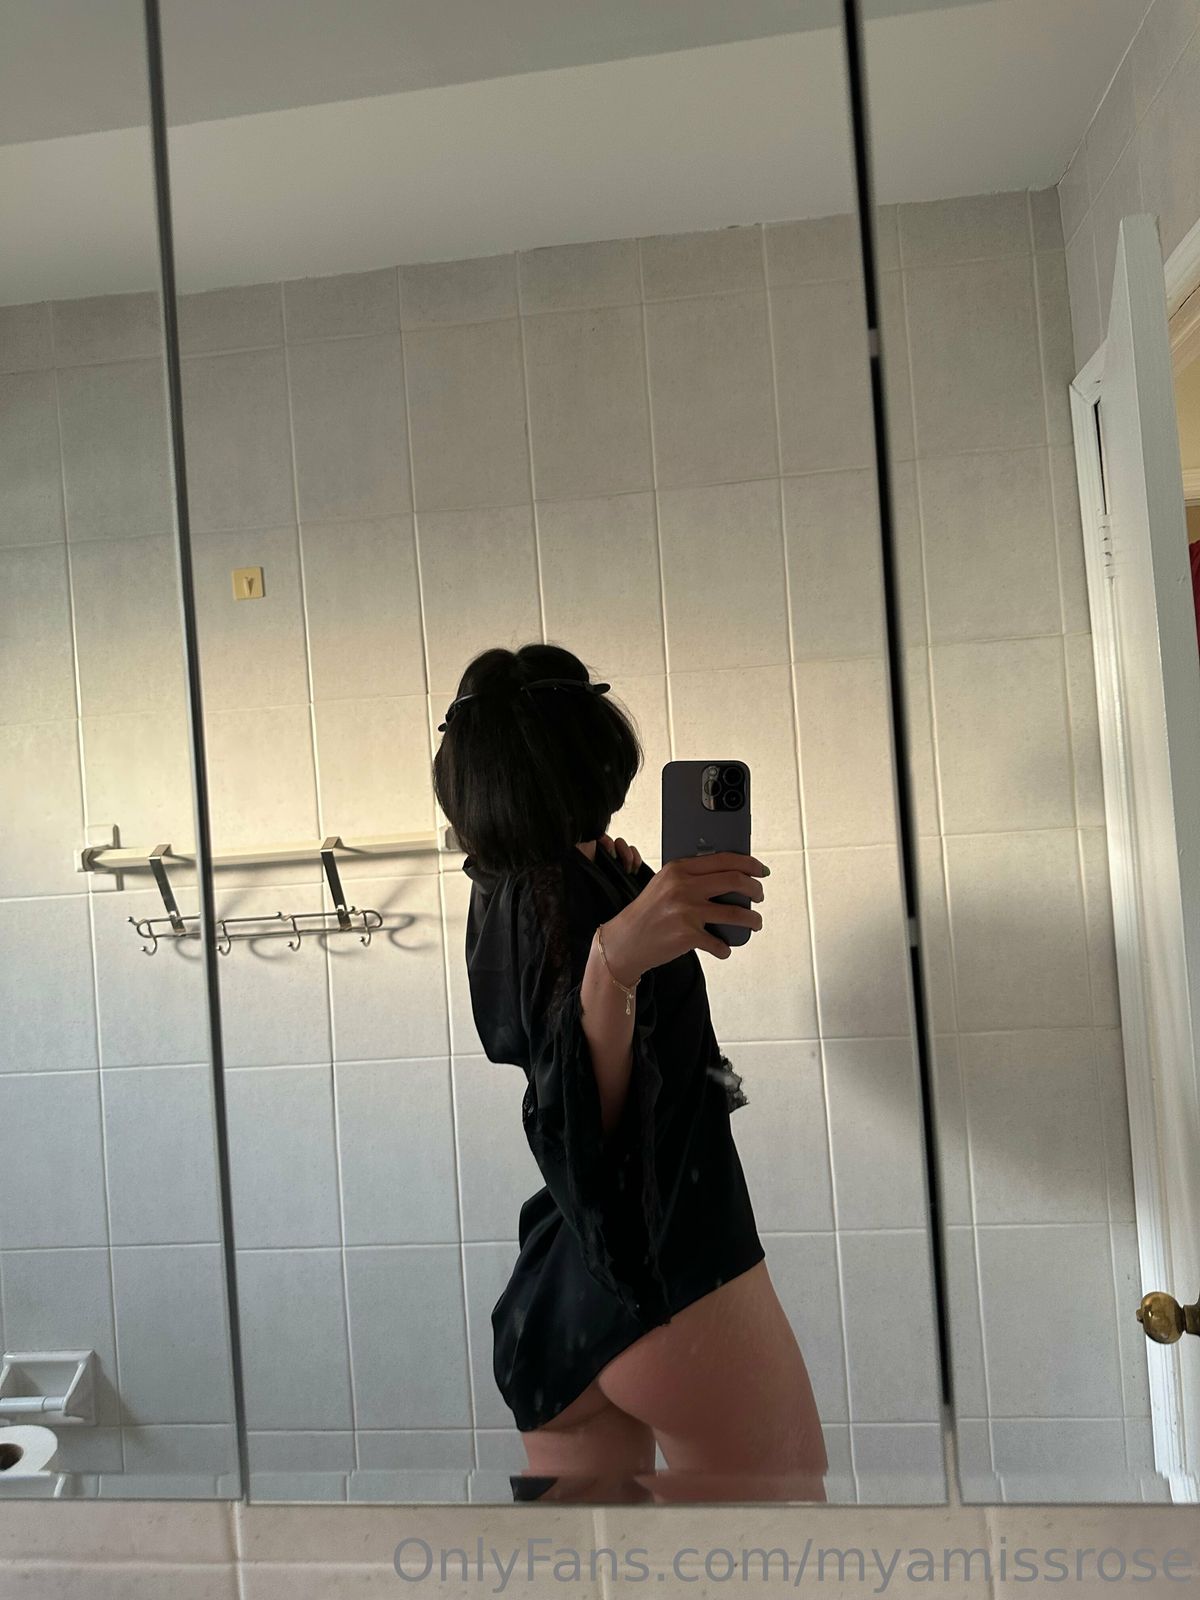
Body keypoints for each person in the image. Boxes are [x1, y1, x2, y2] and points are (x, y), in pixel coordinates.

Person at [433, 642, 826, 1501]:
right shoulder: (562, 897)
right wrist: (615, 959)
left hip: (557, 1298)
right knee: (784, 1536)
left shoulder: (509, 887)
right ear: (594, 751)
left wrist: (634, 916)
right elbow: (586, 1115)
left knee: (588, 1562)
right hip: (670, 1279)